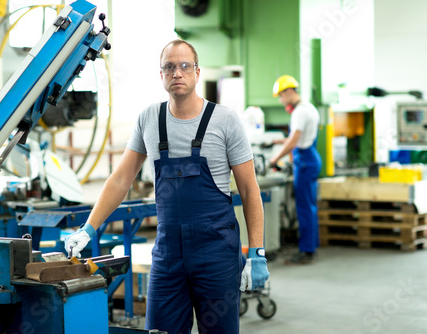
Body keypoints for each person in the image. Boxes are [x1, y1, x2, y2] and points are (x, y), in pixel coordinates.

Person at [65, 39, 269, 334]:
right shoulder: (149, 118)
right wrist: (89, 228)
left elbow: (250, 190)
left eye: (185, 66)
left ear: (197, 72)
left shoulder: (225, 121)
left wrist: (257, 252)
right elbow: (122, 179)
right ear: (160, 75)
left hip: (217, 254)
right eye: (169, 67)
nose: (178, 73)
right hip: (168, 256)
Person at [269, 75, 322, 265]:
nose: (281, 100)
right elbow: (298, 138)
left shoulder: (299, 112)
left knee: (304, 207)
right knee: (309, 205)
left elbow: (294, 141)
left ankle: (307, 251)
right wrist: (277, 141)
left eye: (281, 96)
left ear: (289, 91)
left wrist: (274, 159)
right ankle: (312, 246)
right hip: (310, 157)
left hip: (305, 160)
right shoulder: (309, 108)